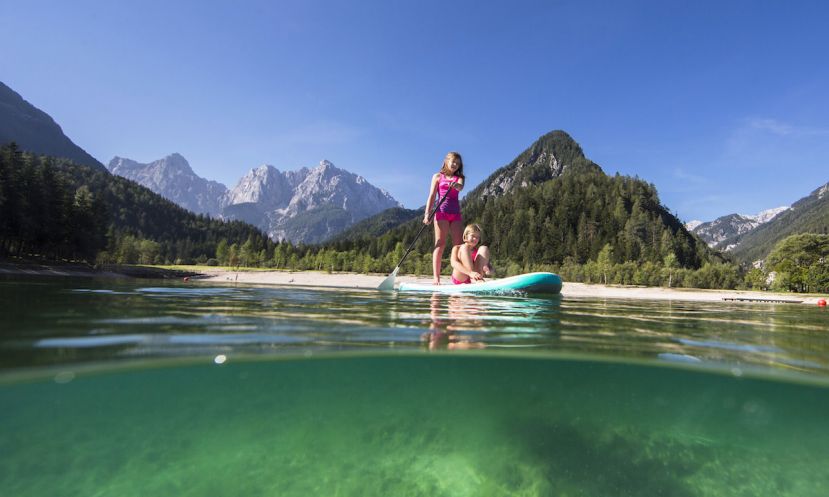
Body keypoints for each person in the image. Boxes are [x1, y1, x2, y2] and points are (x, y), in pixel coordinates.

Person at [423, 152, 465, 284]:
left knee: (458, 246)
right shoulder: (437, 176)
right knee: (440, 244)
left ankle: (459, 277)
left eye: (457, 164)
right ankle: (436, 278)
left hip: (455, 213)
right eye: (453, 161)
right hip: (441, 212)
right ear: (446, 161)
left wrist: (455, 186)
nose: (455, 165)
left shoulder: (460, 177)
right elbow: (431, 196)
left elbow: (460, 187)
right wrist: (427, 214)